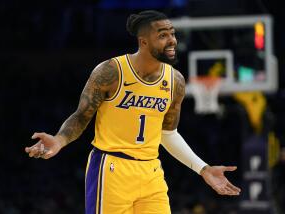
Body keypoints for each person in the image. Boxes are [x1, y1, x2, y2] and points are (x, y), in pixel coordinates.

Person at [25, 10, 241, 214]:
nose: (172, 40)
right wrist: (59, 140)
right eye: (163, 35)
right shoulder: (111, 71)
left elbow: (167, 134)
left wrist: (203, 169)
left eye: (173, 34)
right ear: (144, 41)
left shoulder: (176, 81)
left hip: (151, 172)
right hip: (111, 168)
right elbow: (82, 115)